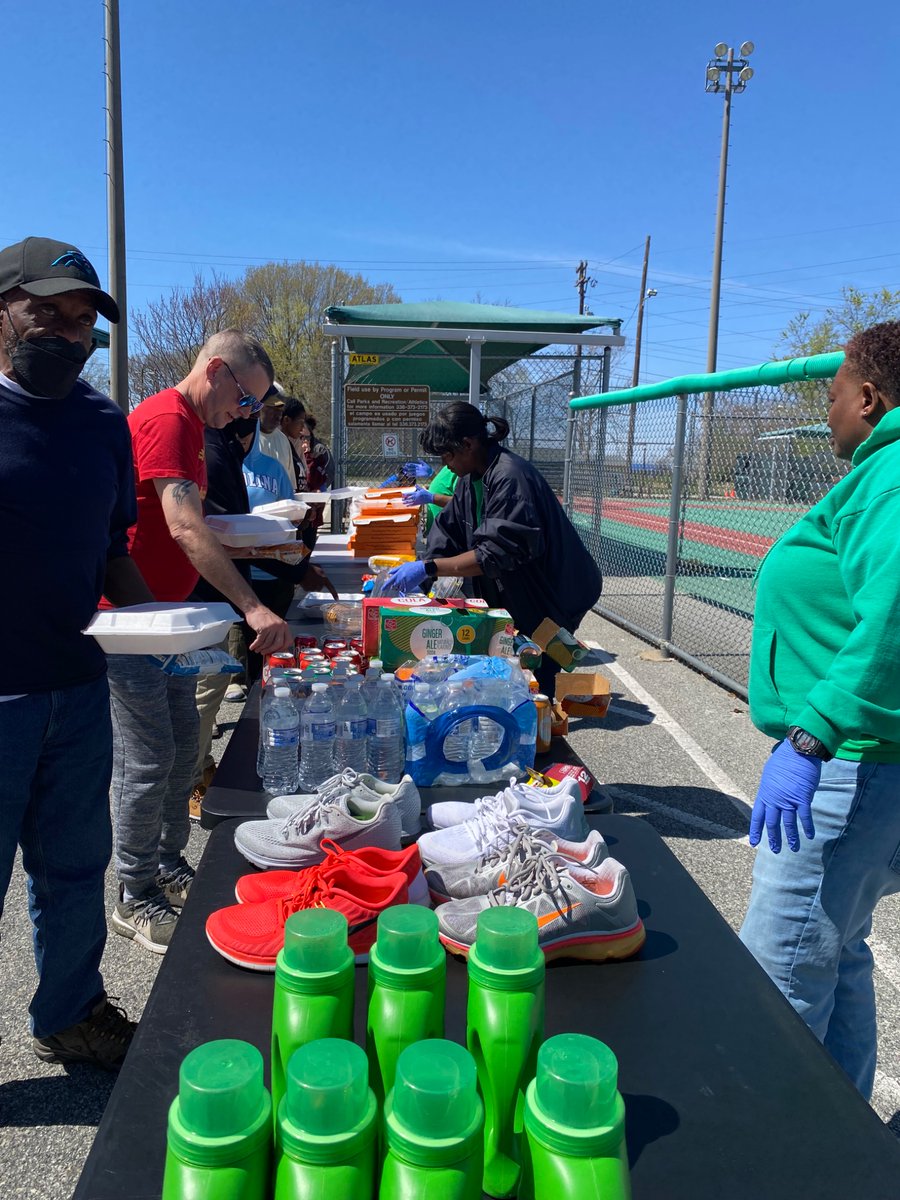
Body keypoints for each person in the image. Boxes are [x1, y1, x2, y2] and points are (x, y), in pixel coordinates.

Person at [0, 236, 154, 1068]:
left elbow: (109, 549)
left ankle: (70, 1011)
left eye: (83, 322)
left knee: (74, 869)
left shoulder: (101, 423)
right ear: (2, 312)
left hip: (76, 687)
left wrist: (167, 628)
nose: (65, 334)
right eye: (46, 313)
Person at [739, 322, 900, 1100]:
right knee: (835, 950)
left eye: (832, 396)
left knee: (777, 977)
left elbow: (894, 615)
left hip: (849, 764)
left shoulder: (894, 472)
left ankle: (778, 1151)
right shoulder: (880, 471)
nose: (827, 411)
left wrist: (812, 735)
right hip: (854, 765)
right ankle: (846, 1147)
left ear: (868, 396)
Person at [105, 330, 293, 954]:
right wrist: (252, 605)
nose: (244, 414)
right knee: (150, 757)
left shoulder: (191, 425)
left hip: (170, 617)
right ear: (214, 371)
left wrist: (259, 539)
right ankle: (134, 891)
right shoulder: (167, 419)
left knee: (186, 745)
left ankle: (164, 862)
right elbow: (183, 526)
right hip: (133, 622)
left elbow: (194, 524)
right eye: (244, 399)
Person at [387, 401, 602, 696]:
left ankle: (540, 724)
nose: (445, 464)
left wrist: (429, 568)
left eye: (447, 454)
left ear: (468, 444)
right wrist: (419, 584)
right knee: (512, 657)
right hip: (522, 586)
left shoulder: (512, 478)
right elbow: (447, 531)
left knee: (539, 662)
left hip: (556, 589)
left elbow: (493, 554)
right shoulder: (469, 481)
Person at [402, 462, 482, 532]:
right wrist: (432, 475)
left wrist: (432, 498)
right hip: (438, 530)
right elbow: (446, 487)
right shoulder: (452, 465)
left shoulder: (463, 470)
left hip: (451, 533)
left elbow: (463, 503)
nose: (443, 461)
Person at [257, 387, 298, 487]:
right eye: (273, 408)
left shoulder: (283, 441)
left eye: (281, 409)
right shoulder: (248, 438)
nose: (278, 414)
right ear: (259, 407)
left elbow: (290, 485)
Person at [280, 395, 309, 489]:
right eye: (300, 422)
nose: (302, 427)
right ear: (286, 420)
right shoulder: (277, 445)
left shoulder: (293, 443)